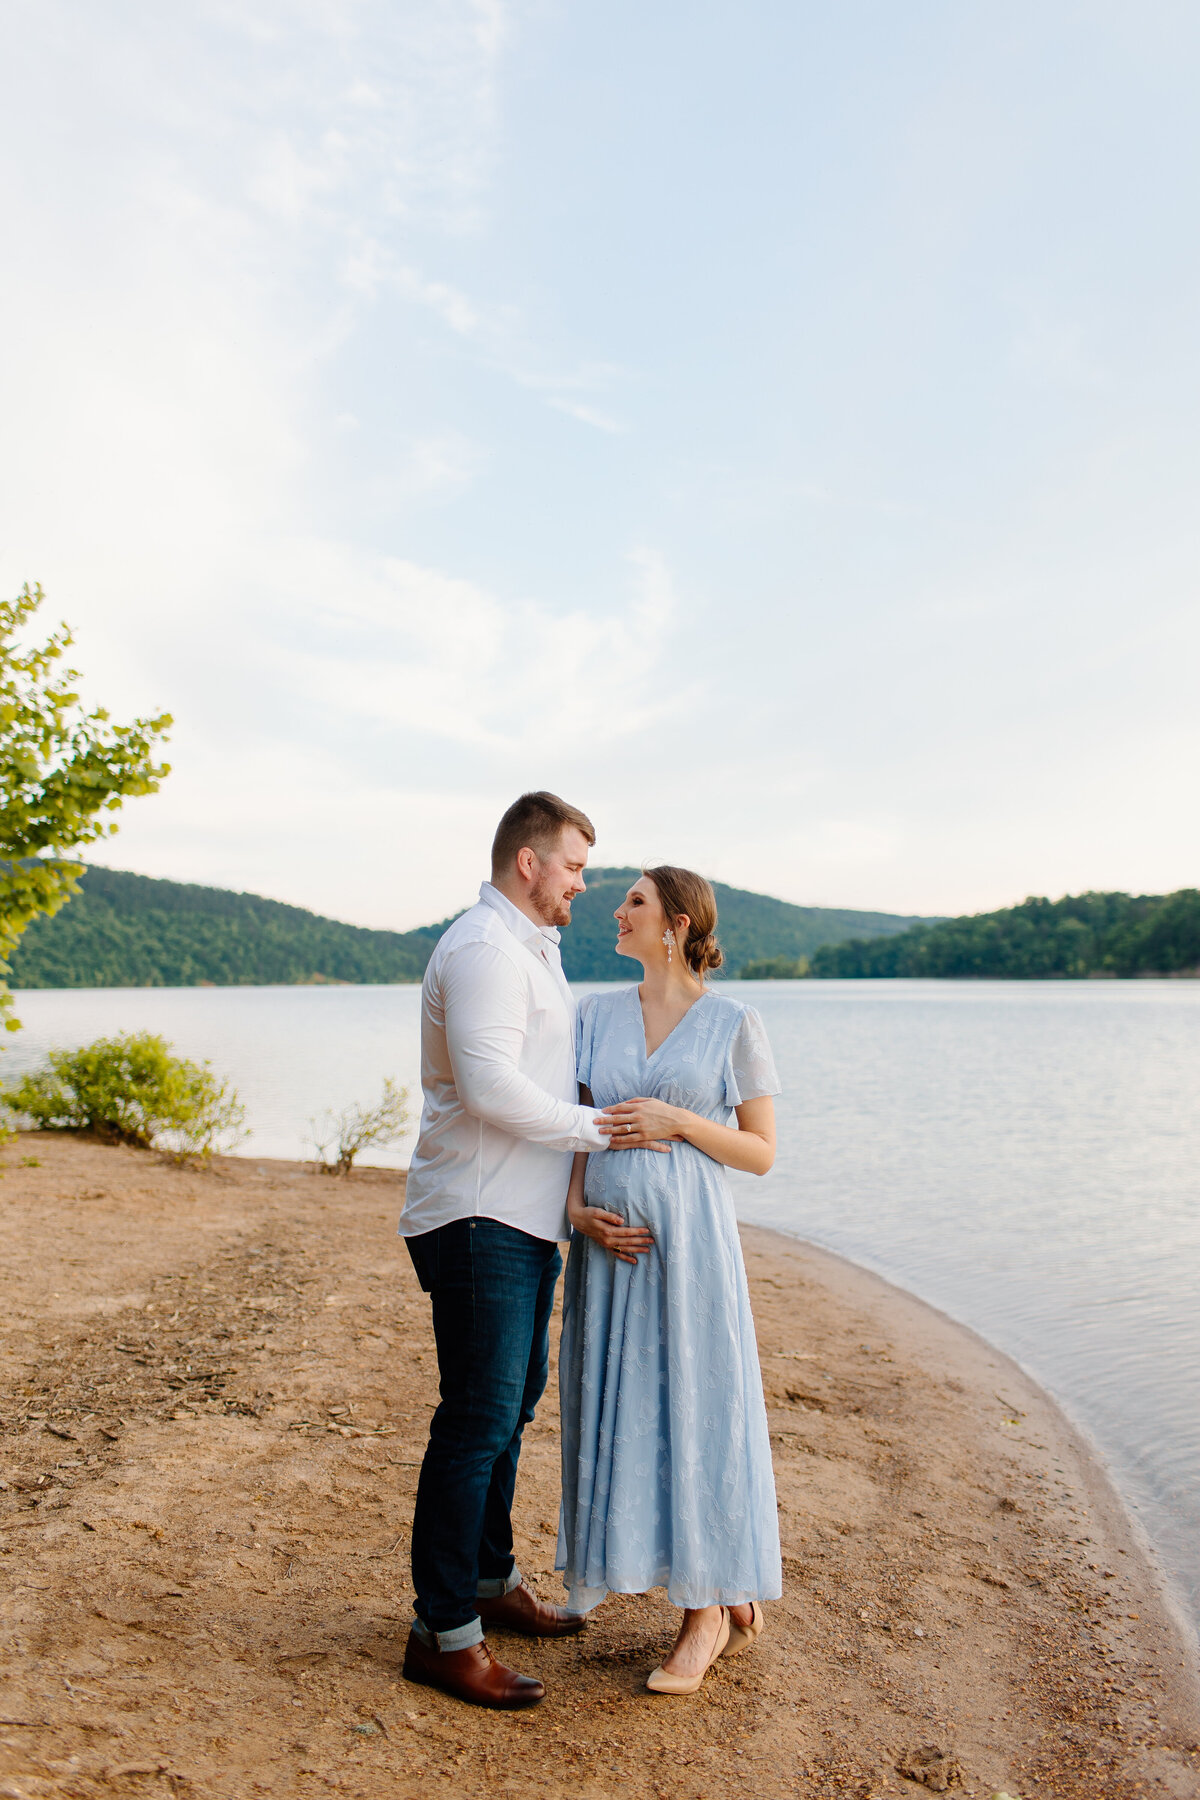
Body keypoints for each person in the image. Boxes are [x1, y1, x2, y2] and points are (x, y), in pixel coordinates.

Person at [397, 792, 658, 1711]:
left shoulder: (530, 950)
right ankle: (442, 1633)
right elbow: (489, 1088)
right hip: (474, 1219)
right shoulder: (480, 948)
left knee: (509, 1413)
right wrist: (603, 1131)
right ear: (528, 863)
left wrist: (575, 1204)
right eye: (576, 867)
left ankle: (487, 1581)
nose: (583, 886)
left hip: (522, 1221)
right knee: (475, 1421)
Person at [557, 865, 783, 1694]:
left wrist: (680, 1120)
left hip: (692, 1248)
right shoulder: (594, 1014)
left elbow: (759, 1153)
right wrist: (577, 1212)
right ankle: (675, 1581)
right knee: (625, 1407)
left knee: (698, 1407)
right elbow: (580, 1127)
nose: (617, 911)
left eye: (636, 902)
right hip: (610, 1249)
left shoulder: (732, 1021)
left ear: (679, 925)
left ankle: (707, 1614)